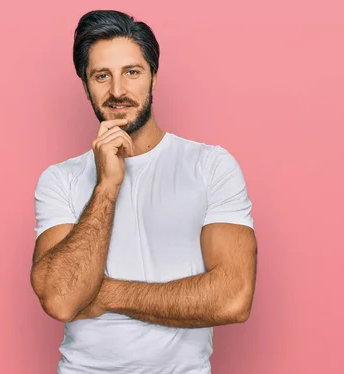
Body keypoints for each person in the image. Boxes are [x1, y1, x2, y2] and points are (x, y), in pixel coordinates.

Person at [30, 9, 257, 374]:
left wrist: (104, 294)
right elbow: (60, 299)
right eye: (101, 76)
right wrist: (107, 185)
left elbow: (232, 299)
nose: (117, 91)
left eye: (131, 72)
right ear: (86, 84)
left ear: (153, 76)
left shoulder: (210, 165)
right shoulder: (60, 180)